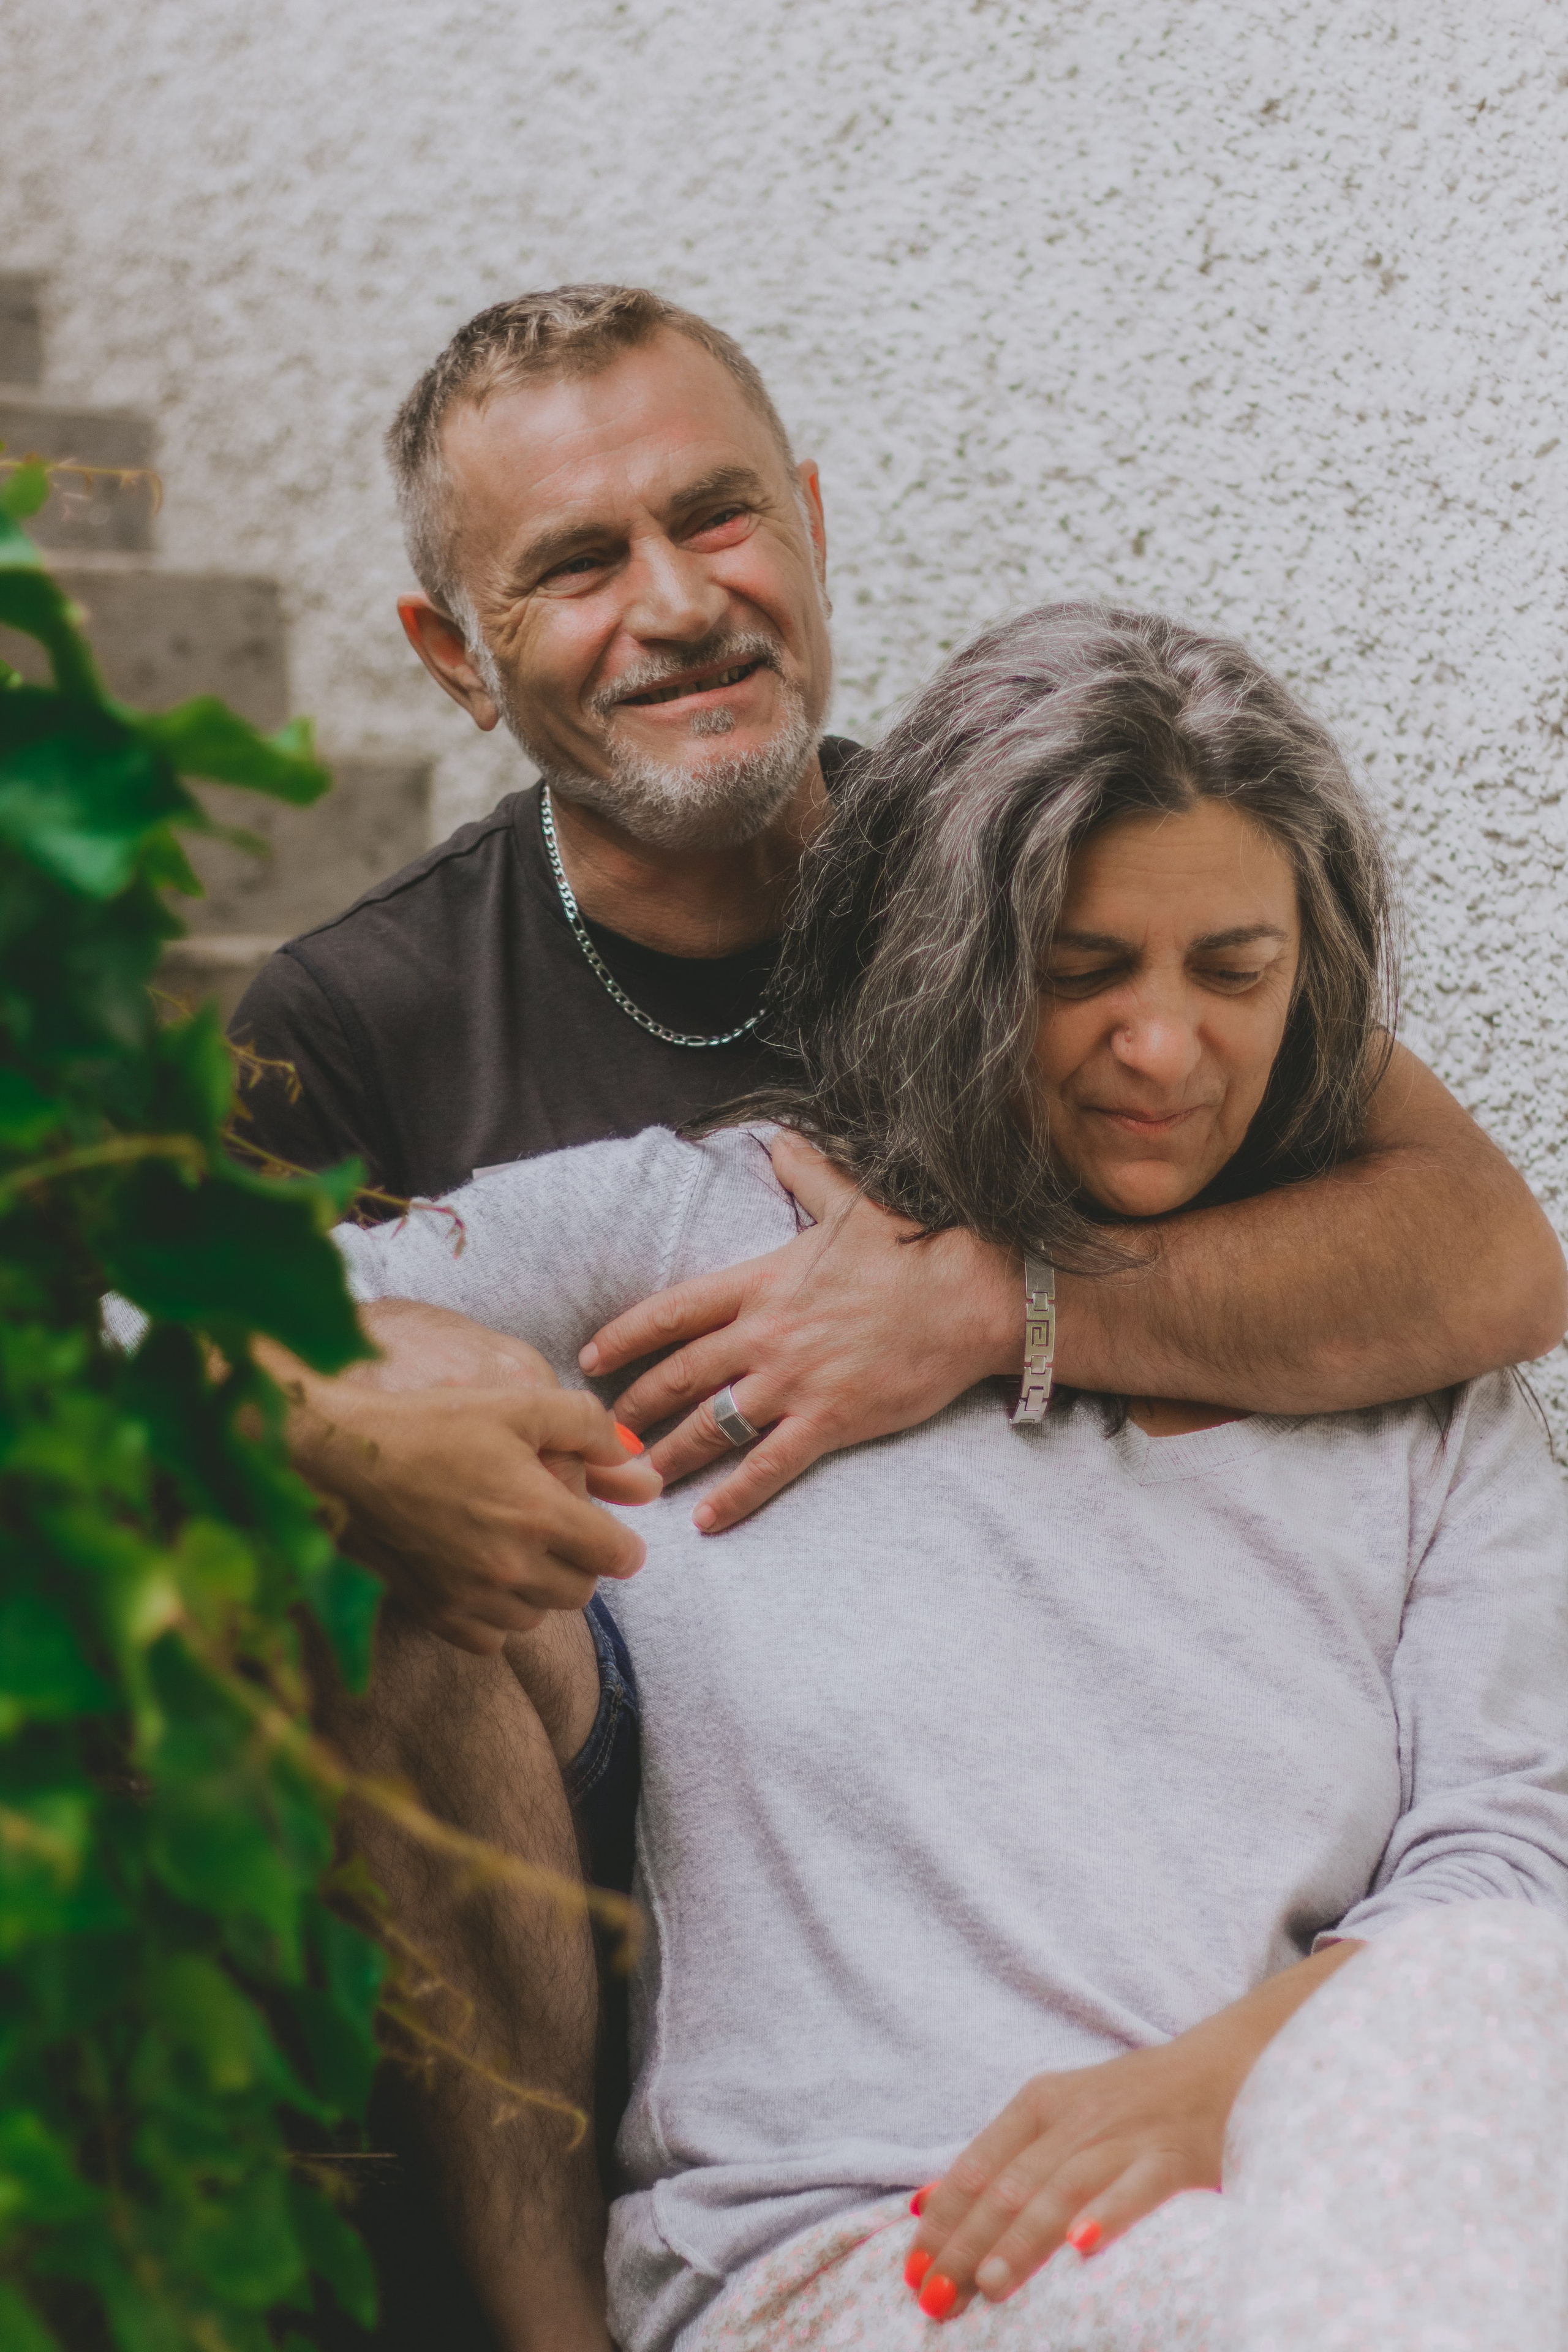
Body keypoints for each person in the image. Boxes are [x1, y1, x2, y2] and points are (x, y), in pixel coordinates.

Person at [241, 287, 1566, 2350]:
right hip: (702, 1949)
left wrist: (988, 1302)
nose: (1160, 1041)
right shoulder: (425, 1055)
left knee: (1452, 2044)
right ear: (460, 659)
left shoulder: (1054, 824)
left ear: (816, 523)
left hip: (1257, 2155)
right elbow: (126, 1344)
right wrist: (335, 1401)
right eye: (580, 562)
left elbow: (1487, 1259)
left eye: (719, 517)